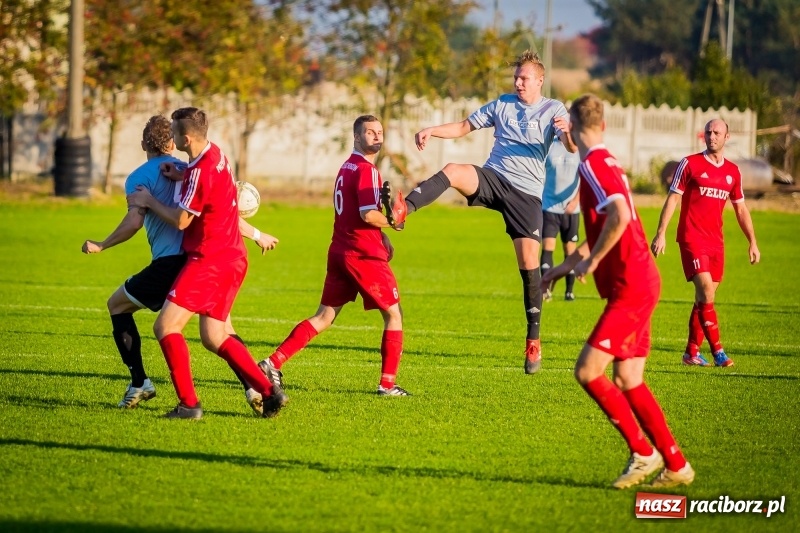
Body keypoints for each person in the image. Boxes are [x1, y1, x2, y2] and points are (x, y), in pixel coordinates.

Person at [382, 50, 577, 374]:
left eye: (524, 78)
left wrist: (567, 131)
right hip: (494, 177)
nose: (518, 82)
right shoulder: (502, 104)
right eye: (516, 77)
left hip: (527, 196)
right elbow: (463, 126)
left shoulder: (553, 110)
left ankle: (533, 341)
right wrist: (432, 130)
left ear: (540, 81)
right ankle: (406, 210)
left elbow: (570, 146)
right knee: (454, 170)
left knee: (530, 267)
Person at [542, 94, 694, 489]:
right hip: (642, 281)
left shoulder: (591, 164)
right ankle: (676, 464)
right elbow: (608, 224)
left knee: (588, 370)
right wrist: (564, 267)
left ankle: (644, 453)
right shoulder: (607, 162)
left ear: (572, 130)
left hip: (632, 286)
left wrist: (590, 264)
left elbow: (621, 217)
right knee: (628, 378)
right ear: (604, 125)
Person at [82, 115, 277, 414]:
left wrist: (103, 243)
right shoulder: (194, 167)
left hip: (175, 263)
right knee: (218, 330)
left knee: (121, 307)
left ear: (144, 143)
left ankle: (144, 384)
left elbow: (137, 221)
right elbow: (223, 215)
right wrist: (258, 234)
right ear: (173, 143)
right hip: (208, 258)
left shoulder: (140, 178)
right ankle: (256, 386)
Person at [257, 115, 409, 396]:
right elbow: (367, 214)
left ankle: (272, 362)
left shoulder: (346, 167)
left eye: (380, 132)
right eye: (370, 132)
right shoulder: (366, 170)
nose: (376, 136)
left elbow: (355, 212)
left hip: (341, 249)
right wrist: (394, 222)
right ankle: (387, 386)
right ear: (356, 137)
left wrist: (382, 235)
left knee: (325, 316)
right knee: (394, 314)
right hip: (362, 254)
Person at [651, 119, 760, 367]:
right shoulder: (689, 164)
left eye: (717, 133)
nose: (712, 136)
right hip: (691, 237)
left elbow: (741, 209)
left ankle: (691, 352)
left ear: (726, 137)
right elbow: (673, 198)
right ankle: (718, 352)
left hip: (716, 242)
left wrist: (752, 241)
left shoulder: (733, 172)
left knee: (705, 298)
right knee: (707, 292)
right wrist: (661, 232)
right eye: (708, 132)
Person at [540, 136, 581, 302]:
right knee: (547, 248)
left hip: (572, 210)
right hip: (549, 207)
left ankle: (569, 291)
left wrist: (576, 201)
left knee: (569, 251)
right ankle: (546, 290)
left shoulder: (579, 149)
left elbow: (585, 179)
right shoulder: (550, 146)